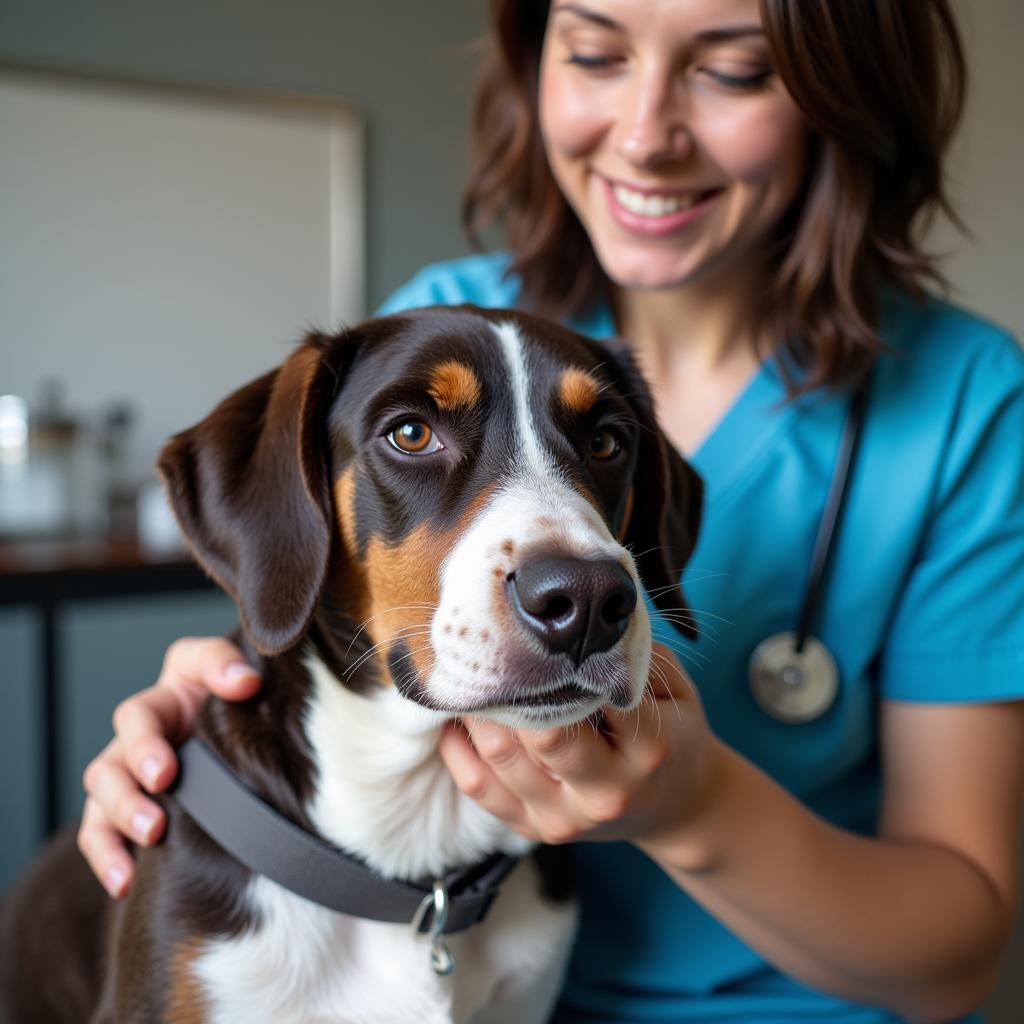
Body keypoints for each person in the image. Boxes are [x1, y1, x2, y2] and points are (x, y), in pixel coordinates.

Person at [79, 1, 1024, 1021]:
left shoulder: (965, 401)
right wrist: (207, 686)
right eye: (594, 52)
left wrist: (695, 805)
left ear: (845, 94)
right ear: (534, 62)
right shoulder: (437, 313)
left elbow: (957, 956)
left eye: (735, 70)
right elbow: (304, 575)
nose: (644, 134)